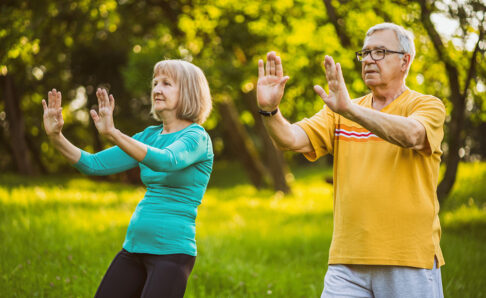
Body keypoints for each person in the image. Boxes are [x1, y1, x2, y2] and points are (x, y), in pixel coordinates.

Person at [256, 23, 445, 297]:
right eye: (365, 53)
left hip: (408, 259)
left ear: (405, 61)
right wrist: (269, 110)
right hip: (346, 262)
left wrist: (352, 111)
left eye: (379, 52)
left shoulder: (426, 105)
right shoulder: (340, 111)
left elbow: (414, 135)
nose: (368, 59)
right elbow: (289, 139)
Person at [42, 59, 214, 297]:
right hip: (134, 248)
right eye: (155, 83)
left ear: (189, 92)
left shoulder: (197, 138)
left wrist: (113, 133)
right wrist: (56, 137)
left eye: (166, 83)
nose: (156, 89)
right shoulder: (149, 136)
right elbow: (93, 164)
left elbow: (166, 160)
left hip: (172, 254)